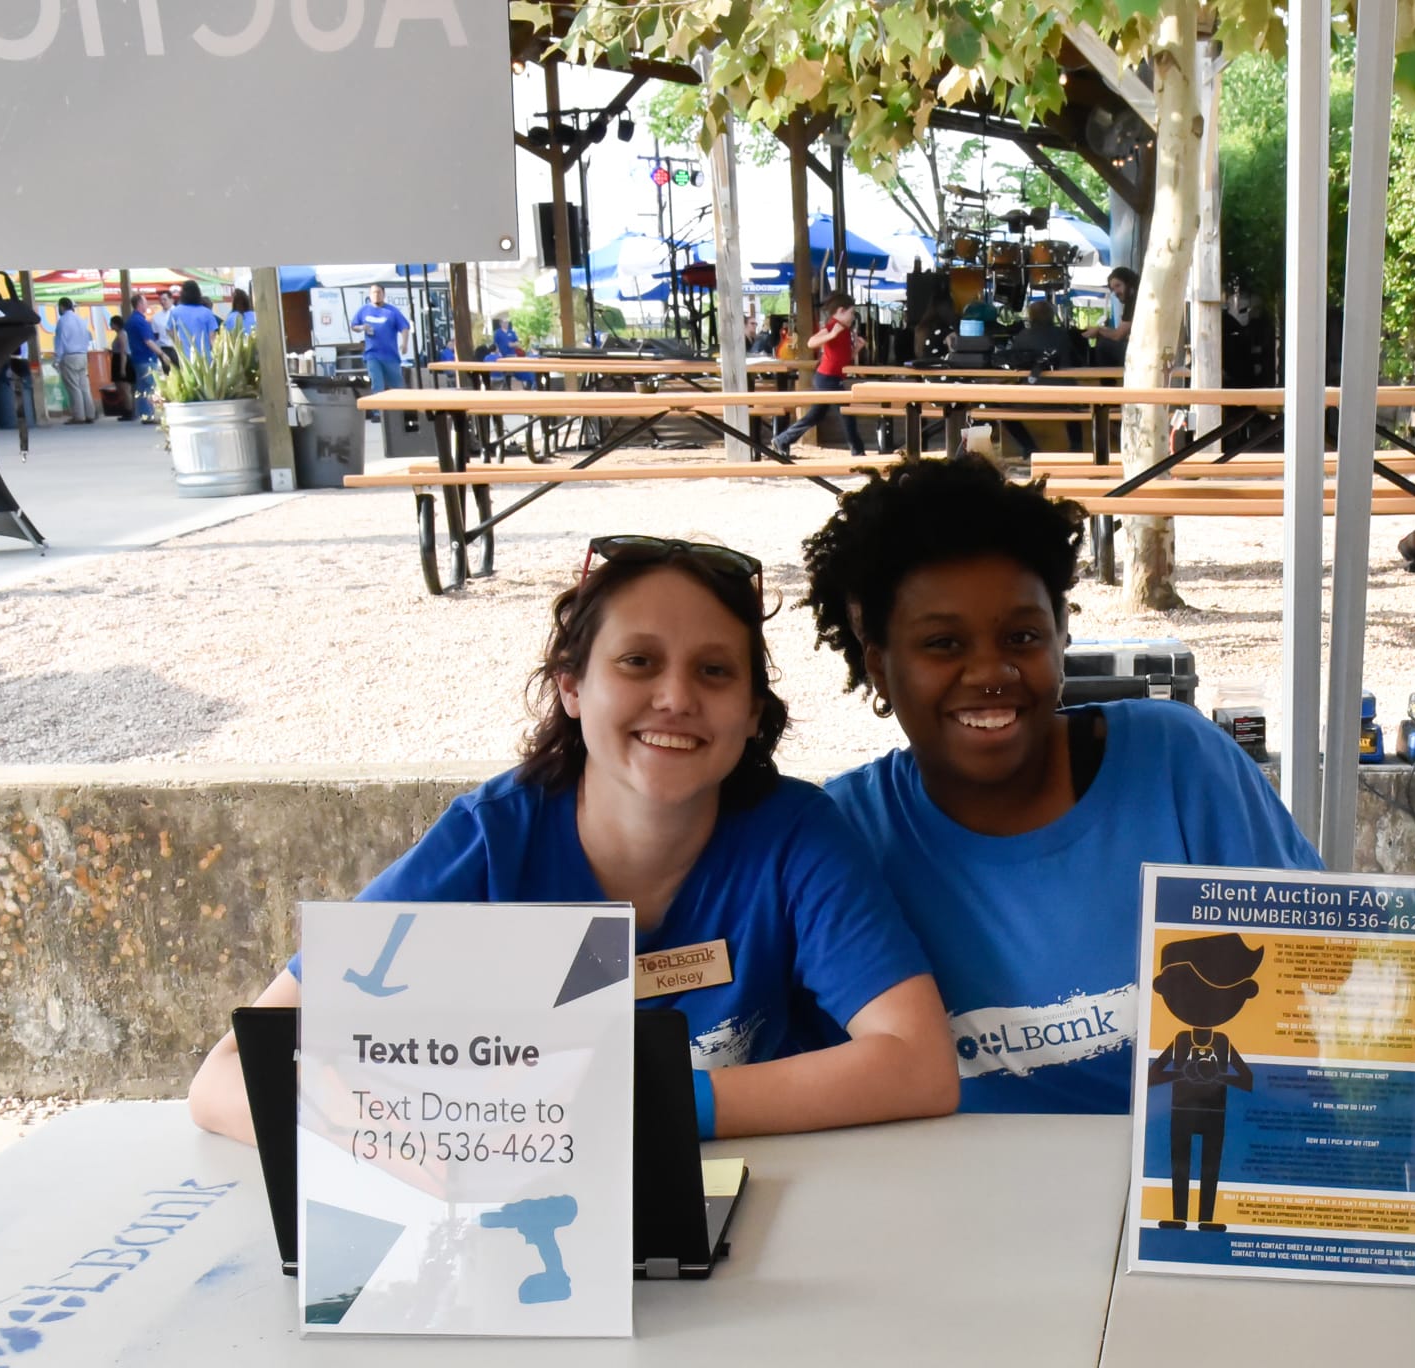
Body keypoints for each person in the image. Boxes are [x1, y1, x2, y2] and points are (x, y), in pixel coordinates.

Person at [189, 534, 960, 1146]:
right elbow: (226, 1077)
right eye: (637, 662)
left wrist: (646, 1108)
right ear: (571, 684)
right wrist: (404, 1145)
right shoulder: (488, 845)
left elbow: (919, 1065)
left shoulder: (795, 836)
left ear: (754, 711)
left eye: (716, 671)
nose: (676, 697)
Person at [800, 456, 1321, 1116]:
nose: (990, 671)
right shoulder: (840, 839)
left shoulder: (1181, 767)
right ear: (879, 664)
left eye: (1021, 636)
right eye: (942, 644)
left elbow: (1319, 996)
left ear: (1062, 638)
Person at [769, 293, 865, 457]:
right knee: (845, 413)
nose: (852, 317)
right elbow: (811, 342)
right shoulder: (833, 326)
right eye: (851, 312)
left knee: (816, 415)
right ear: (841, 311)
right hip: (827, 378)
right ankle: (857, 451)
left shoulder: (844, 329)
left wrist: (857, 348)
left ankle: (783, 439)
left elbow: (842, 358)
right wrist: (831, 335)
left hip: (832, 377)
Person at [1000, 301, 1084, 458]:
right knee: (1074, 405)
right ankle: (1076, 447)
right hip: (1065, 396)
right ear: (1052, 315)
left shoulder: (1022, 336)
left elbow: (1014, 363)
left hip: (1032, 397)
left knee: (1001, 408)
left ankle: (1029, 446)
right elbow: (1078, 360)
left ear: (1031, 316)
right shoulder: (1063, 334)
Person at [352, 283, 411, 418]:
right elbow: (354, 326)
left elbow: (404, 327)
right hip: (372, 354)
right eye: (373, 293)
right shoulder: (364, 310)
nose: (376, 295)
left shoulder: (392, 311)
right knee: (376, 382)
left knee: (396, 385)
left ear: (384, 294)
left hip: (390, 355)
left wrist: (405, 343)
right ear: (369, 295)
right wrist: (363, 328)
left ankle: (402, 411)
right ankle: (378, 413)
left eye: (378, 292)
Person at [52, 297, 96, 424]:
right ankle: (90, 414)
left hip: (69, 356)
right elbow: (88, 338)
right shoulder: (81, 320)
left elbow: (60, 341)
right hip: (82, 355)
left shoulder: (63, 321)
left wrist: (57, 359)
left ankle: (79, 416)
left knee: (73, 387)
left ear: (61, 306)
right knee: (84, 387)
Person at [1086, 265, 1138, 367]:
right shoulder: (1135, 298)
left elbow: (1118, 335)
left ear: (1129, 283)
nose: (1116, 292)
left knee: (1103, 345)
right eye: (1113, 289)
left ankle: (1109, 381)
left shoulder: (1134, 301)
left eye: (1118, 286)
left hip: (1140, 352)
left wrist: (1098, 330)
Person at [124, 293, 163, 425]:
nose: (147, 304)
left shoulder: (131, 320)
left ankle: (144, 414)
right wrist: (161, 354)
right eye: (145, 302)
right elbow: (148, 341)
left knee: (141, 388)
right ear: (139, 304)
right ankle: (149, 415)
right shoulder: (141, 321)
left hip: (137, 358)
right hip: (146, 357)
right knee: (149, 387)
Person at [167, 279, 221, 356]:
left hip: (185, 358)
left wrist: (177, 343)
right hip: (206, 357)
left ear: (182, 294)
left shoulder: (175, 311)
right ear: (198, 294)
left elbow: (169, 330)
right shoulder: (207, 312)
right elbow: (212, 337)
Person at [107, 314, 134, 420]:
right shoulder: (119, 334)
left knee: (125, 388)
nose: (110, 325)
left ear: (116, 324)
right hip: (117, 359)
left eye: (112, 323)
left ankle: (129, 411)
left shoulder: (122, 334)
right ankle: (125, 410)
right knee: (120, 388)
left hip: (122, 361)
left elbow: (123, 351)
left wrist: (122, 368)